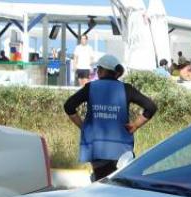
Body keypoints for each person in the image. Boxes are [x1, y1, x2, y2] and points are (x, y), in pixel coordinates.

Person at [63, 54, 157, 182]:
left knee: (101, 183)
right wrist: (135, 125)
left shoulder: (90, 87)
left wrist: (83, 126)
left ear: (101, 71)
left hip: (96, 147)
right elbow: (151, 107)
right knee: (119, 183)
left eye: (98, 69)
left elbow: (69, 106)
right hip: (121, 149)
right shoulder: (126, 89)